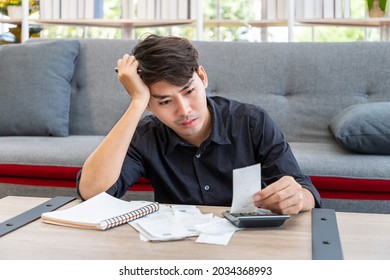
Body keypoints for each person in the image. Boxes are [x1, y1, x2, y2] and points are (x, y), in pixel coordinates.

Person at [77, 34, 321, 214]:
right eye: (164, 101)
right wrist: (137, 101)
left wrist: (297, 197)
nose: (184, 110)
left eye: (188, 91)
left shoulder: (251, 122)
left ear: (202, 77)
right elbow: (92, 193)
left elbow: (306, 192)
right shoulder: (146, 136)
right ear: (150, 105)